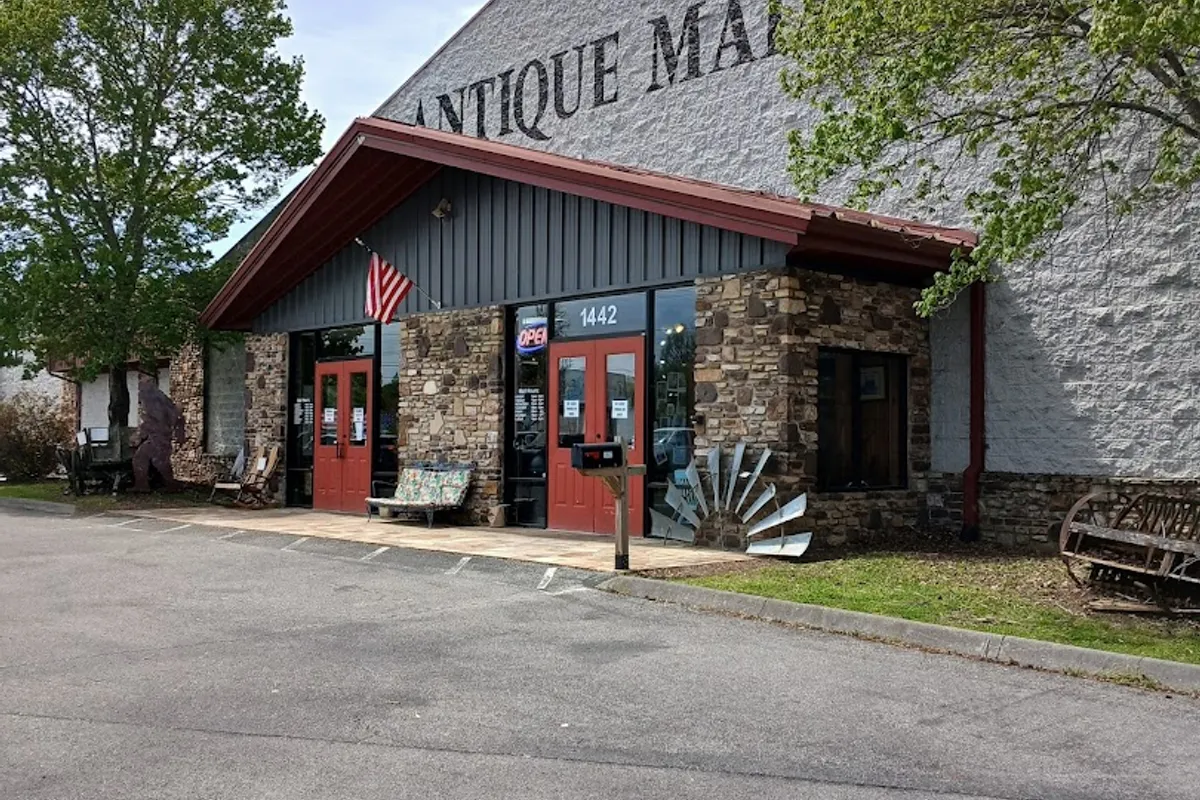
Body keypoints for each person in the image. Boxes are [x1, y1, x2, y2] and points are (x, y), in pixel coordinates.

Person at [130, 372, 185, 492]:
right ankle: (170, 486)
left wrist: (140, 433)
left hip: (159, 435)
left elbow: (156, 419)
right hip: (161, 434)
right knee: (158, 461)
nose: (139, 384)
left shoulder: (151, 398)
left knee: (144, 458)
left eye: (142, 380)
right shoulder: (157, 396)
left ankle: (145, 486)